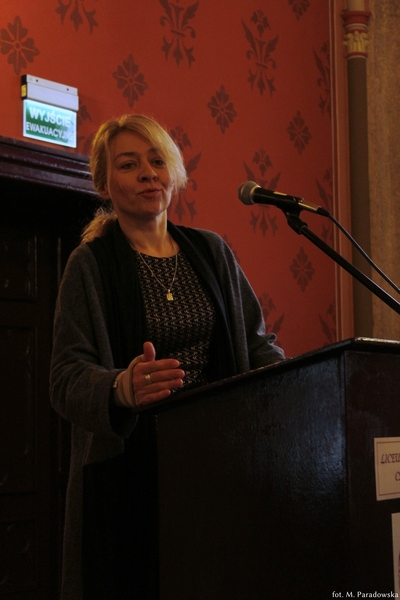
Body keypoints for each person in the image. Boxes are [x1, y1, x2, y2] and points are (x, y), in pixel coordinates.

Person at [50, 113, 285, 600]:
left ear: (174, 171)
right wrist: (122, 387)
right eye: (129, 165)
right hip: (132, 474)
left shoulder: (212, 251)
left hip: (217, 465)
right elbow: (65, 379)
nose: (147, 174)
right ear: (104, 184)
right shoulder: (89, 265)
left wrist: (294, 386)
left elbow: (257, 345)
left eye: (157, 161)